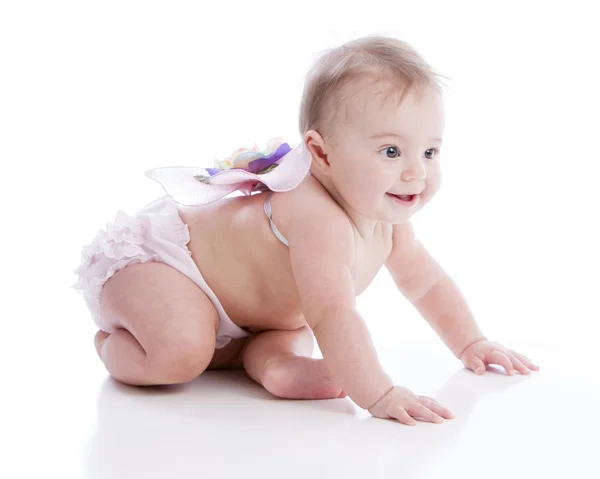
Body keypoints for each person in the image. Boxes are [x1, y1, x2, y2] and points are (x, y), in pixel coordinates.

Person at [73, 35, 538, 426]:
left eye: (430, 153)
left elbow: (427, 283)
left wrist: (471, 342)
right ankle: (116, 345)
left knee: (289, 335)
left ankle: (259, 359)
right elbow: (335, 315)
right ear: (322, 153)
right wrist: (378, 394)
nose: (416, 173)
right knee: (180, 354)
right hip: (167, 268)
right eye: (392, 152)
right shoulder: (316, 215)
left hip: (251, 316)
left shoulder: (385, 220)